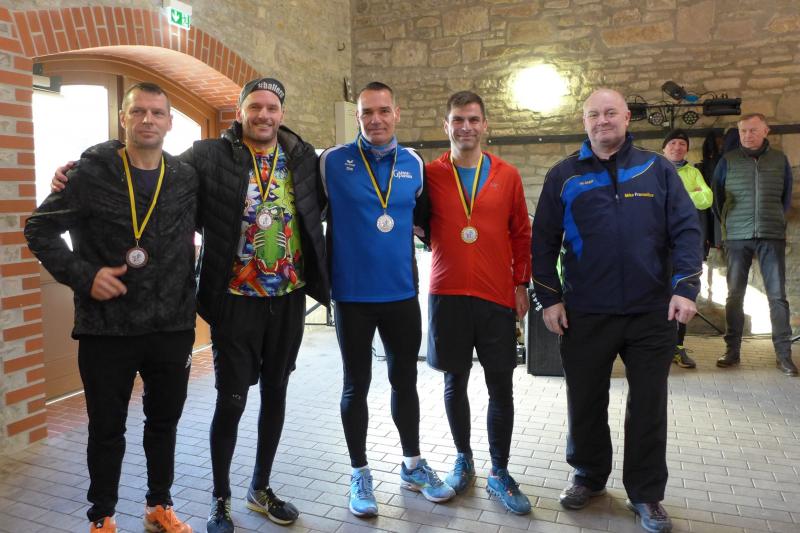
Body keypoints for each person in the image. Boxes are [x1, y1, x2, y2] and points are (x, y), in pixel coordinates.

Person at [52, 78, 330, 533]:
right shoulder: (206, 157)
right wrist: (83, 166)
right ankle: (219, 499)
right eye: (255, 106)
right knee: (231, 401)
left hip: (288, 298)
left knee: (276, 394)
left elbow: (324, 207)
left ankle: (260, 487)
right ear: (239, 112)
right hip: (234, 300)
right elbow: (147, 163)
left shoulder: (304, 158)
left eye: (272, 107)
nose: (263, 115)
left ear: (282, 113)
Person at [26, 83, 197, 533]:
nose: (147, 120)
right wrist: (85, 276)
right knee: (106, 428)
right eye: (138, 111)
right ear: (123, 118)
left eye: (157, 113)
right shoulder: (90, 174)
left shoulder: (185, 177)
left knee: (164, 424)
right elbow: (38, 229)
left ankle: (159, 505)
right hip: (107, 327)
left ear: (170, 122)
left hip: (171, 326)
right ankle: (101, 516)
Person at [532, 89, 702, 533]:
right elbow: (543, 241)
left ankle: (646, 493)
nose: (602, 120)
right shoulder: (564, 175)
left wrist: (685, 288)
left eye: (611, 113)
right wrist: (549, 298)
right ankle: (588, 476)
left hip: (651, 312)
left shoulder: (657, 169)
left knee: (648, 406)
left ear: (627, 117)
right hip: (586, 312)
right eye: (594, 114)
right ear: (584, 121)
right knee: (585, 399)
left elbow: (687, 230)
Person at [319, 81, 455, 518]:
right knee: (355, 385)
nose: (375, 119)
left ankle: (412, 465)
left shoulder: (414, 164)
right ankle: (360, 473)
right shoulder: (331, 162)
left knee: (405, 381)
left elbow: (425, 221)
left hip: (400, 295)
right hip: (352, 296)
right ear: (357, 116)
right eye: (367, 112)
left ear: (396, 113)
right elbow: (306, 216)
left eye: (383, 111)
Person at [421, 91, 532, 514]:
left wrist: (521, 283)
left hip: (495, 295)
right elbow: (415, 222)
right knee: (455, 382)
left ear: (485, 125)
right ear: (445, 125)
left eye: (472, 119)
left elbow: (521, 233)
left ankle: (499, 471)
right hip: (447, 294)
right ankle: (463, 459)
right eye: (457, 119)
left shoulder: (508, 175)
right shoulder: (430, 175)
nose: (465, 127)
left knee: (500, 385)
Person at [711, 113, 796, 376]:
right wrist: (730, 225)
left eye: (753, 130)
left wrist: (775, 220)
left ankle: (784, 356)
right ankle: (732, 351)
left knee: (777, 296)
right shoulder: (727, 161)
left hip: (771, 235)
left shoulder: (779, 160)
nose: (747, 135)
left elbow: (785, 197)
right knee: (735, 294)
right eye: (743, 131)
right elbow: (717, 199)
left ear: (765, 131)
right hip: (737, 236)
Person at [662, 129, 713, 369]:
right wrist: (690, 195)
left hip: (683, 243)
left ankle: (677, 346)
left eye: (682, 144)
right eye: (672, 143)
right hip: (657, 244)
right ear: (664, 148)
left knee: (682, 291)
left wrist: (678, 199)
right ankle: (658, 345)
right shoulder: (654, 169)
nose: (677, 147)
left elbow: (707, 199)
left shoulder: (693, 172)